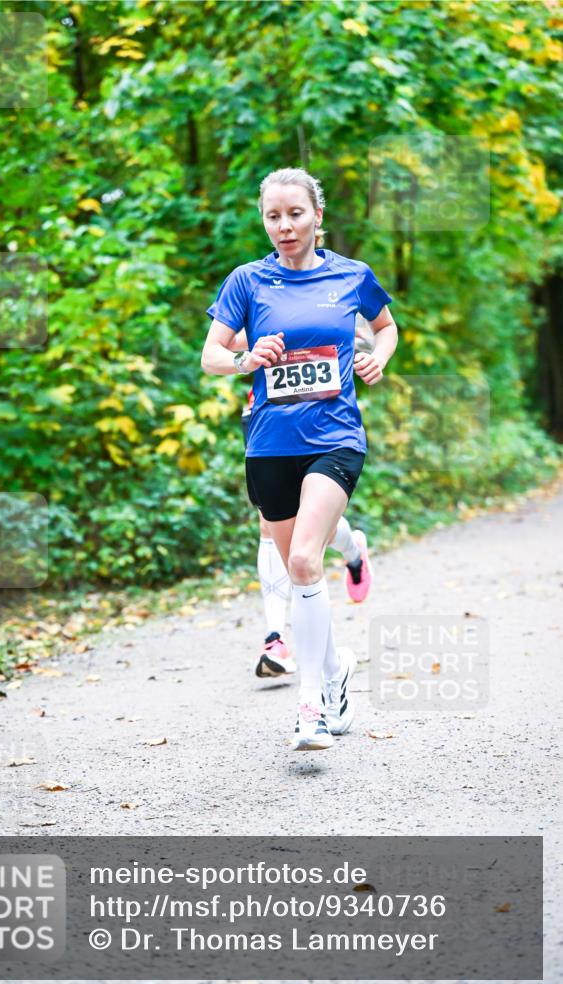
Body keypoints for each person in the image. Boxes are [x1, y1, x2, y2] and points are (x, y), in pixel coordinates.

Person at [202, 167, 397, 751]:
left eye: (295, 214)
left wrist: (378, 357)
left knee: (307, 561)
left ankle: (310, 706)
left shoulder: (351, 275)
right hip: (269, 444)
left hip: (335, 437)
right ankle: (336, 670)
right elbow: (211, 355)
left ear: (317, 216)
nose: (284, 226)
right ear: (264, 221)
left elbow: (386, 328)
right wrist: (246, 359)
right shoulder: (247, 281)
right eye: (273, 216)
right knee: (296, 572)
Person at [234, 370, 374, 681]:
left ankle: (353, 551)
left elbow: (367, 343)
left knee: (311, 528)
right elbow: (220, 349)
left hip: (323, 416)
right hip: (266, 410)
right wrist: (250, 353)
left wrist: (370, 358)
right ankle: (275, 641)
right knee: (270, 522)